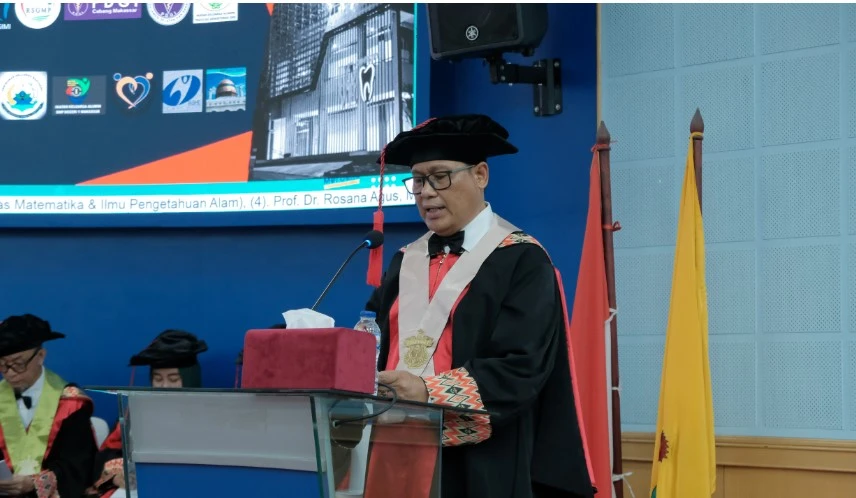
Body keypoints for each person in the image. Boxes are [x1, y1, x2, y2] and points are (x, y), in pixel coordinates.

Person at [361, 114, 595, 498]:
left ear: (481, 175)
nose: (425, 192)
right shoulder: (405, 260)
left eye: (439, 176)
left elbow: (520, 366)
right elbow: (374, 342)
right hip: (394, 448)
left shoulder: (521, 258)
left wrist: (427, 391)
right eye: (418, 180)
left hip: (481, 461)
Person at [86, 330, 207, 498]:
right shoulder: (137, 413)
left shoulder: (207, 415)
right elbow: (108, 454)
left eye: (173, 379)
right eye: (158, 379)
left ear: (190, 378)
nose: (164, 386)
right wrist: (118, 473)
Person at [0, 313, 97, 498]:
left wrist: (34, 483)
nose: (10, 374)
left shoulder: (71, 403)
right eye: (3, 366)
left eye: (18, 364)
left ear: (40, 356)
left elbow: (77, 467)